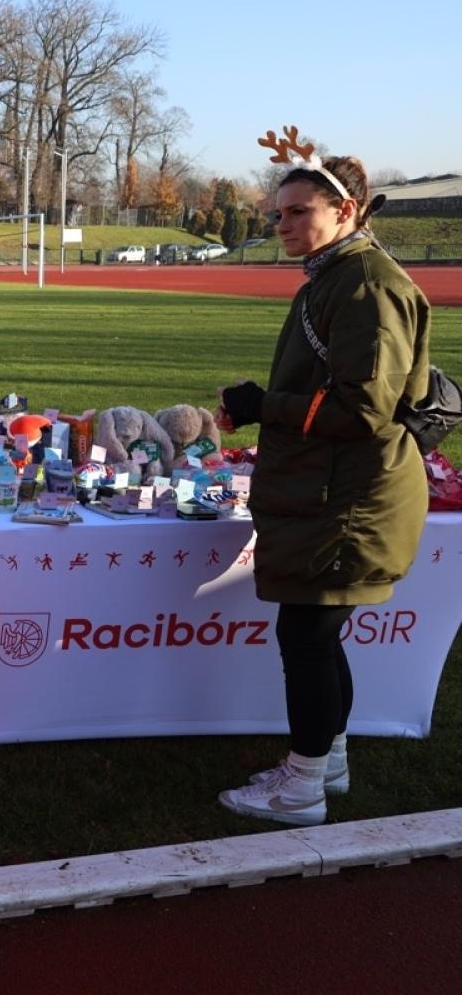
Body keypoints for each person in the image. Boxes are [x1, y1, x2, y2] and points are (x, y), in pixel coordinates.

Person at [214, 138, 430, 827]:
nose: (282, 225)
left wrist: (260, 405)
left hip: (349, 499)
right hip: (330, 492)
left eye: (298, 212)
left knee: (305, 637)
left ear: (346, 211)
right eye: (277, 214)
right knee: (315, 634)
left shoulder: (365, 282)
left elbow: (363, 409)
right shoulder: (335, 275)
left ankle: (299, 788)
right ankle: (325, 762)